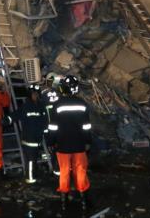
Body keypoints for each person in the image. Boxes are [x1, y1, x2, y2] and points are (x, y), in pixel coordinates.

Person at [46, 75, 92, 212]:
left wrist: (50, 142)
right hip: (79, 145)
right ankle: (83, 200)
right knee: (80, 171)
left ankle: (64, 201)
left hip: (62, 145)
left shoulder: (57, 105)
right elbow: (86, 126)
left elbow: (53, 127)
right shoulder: (82, 104)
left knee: (64, 172)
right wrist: (88, 141)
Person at [15, 84, 48, 184]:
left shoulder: (41, 106)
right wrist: (7, 119)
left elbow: (45, 120)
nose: (36, 96)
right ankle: (30, 180)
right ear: (30, 95)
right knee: (30, 160)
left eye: (37, 94)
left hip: (38, 139)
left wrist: (46, 132)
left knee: (34, 159)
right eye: (34, 94)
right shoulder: (26, 107)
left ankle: (34, 175)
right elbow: (16, 115)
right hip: (29, 140)